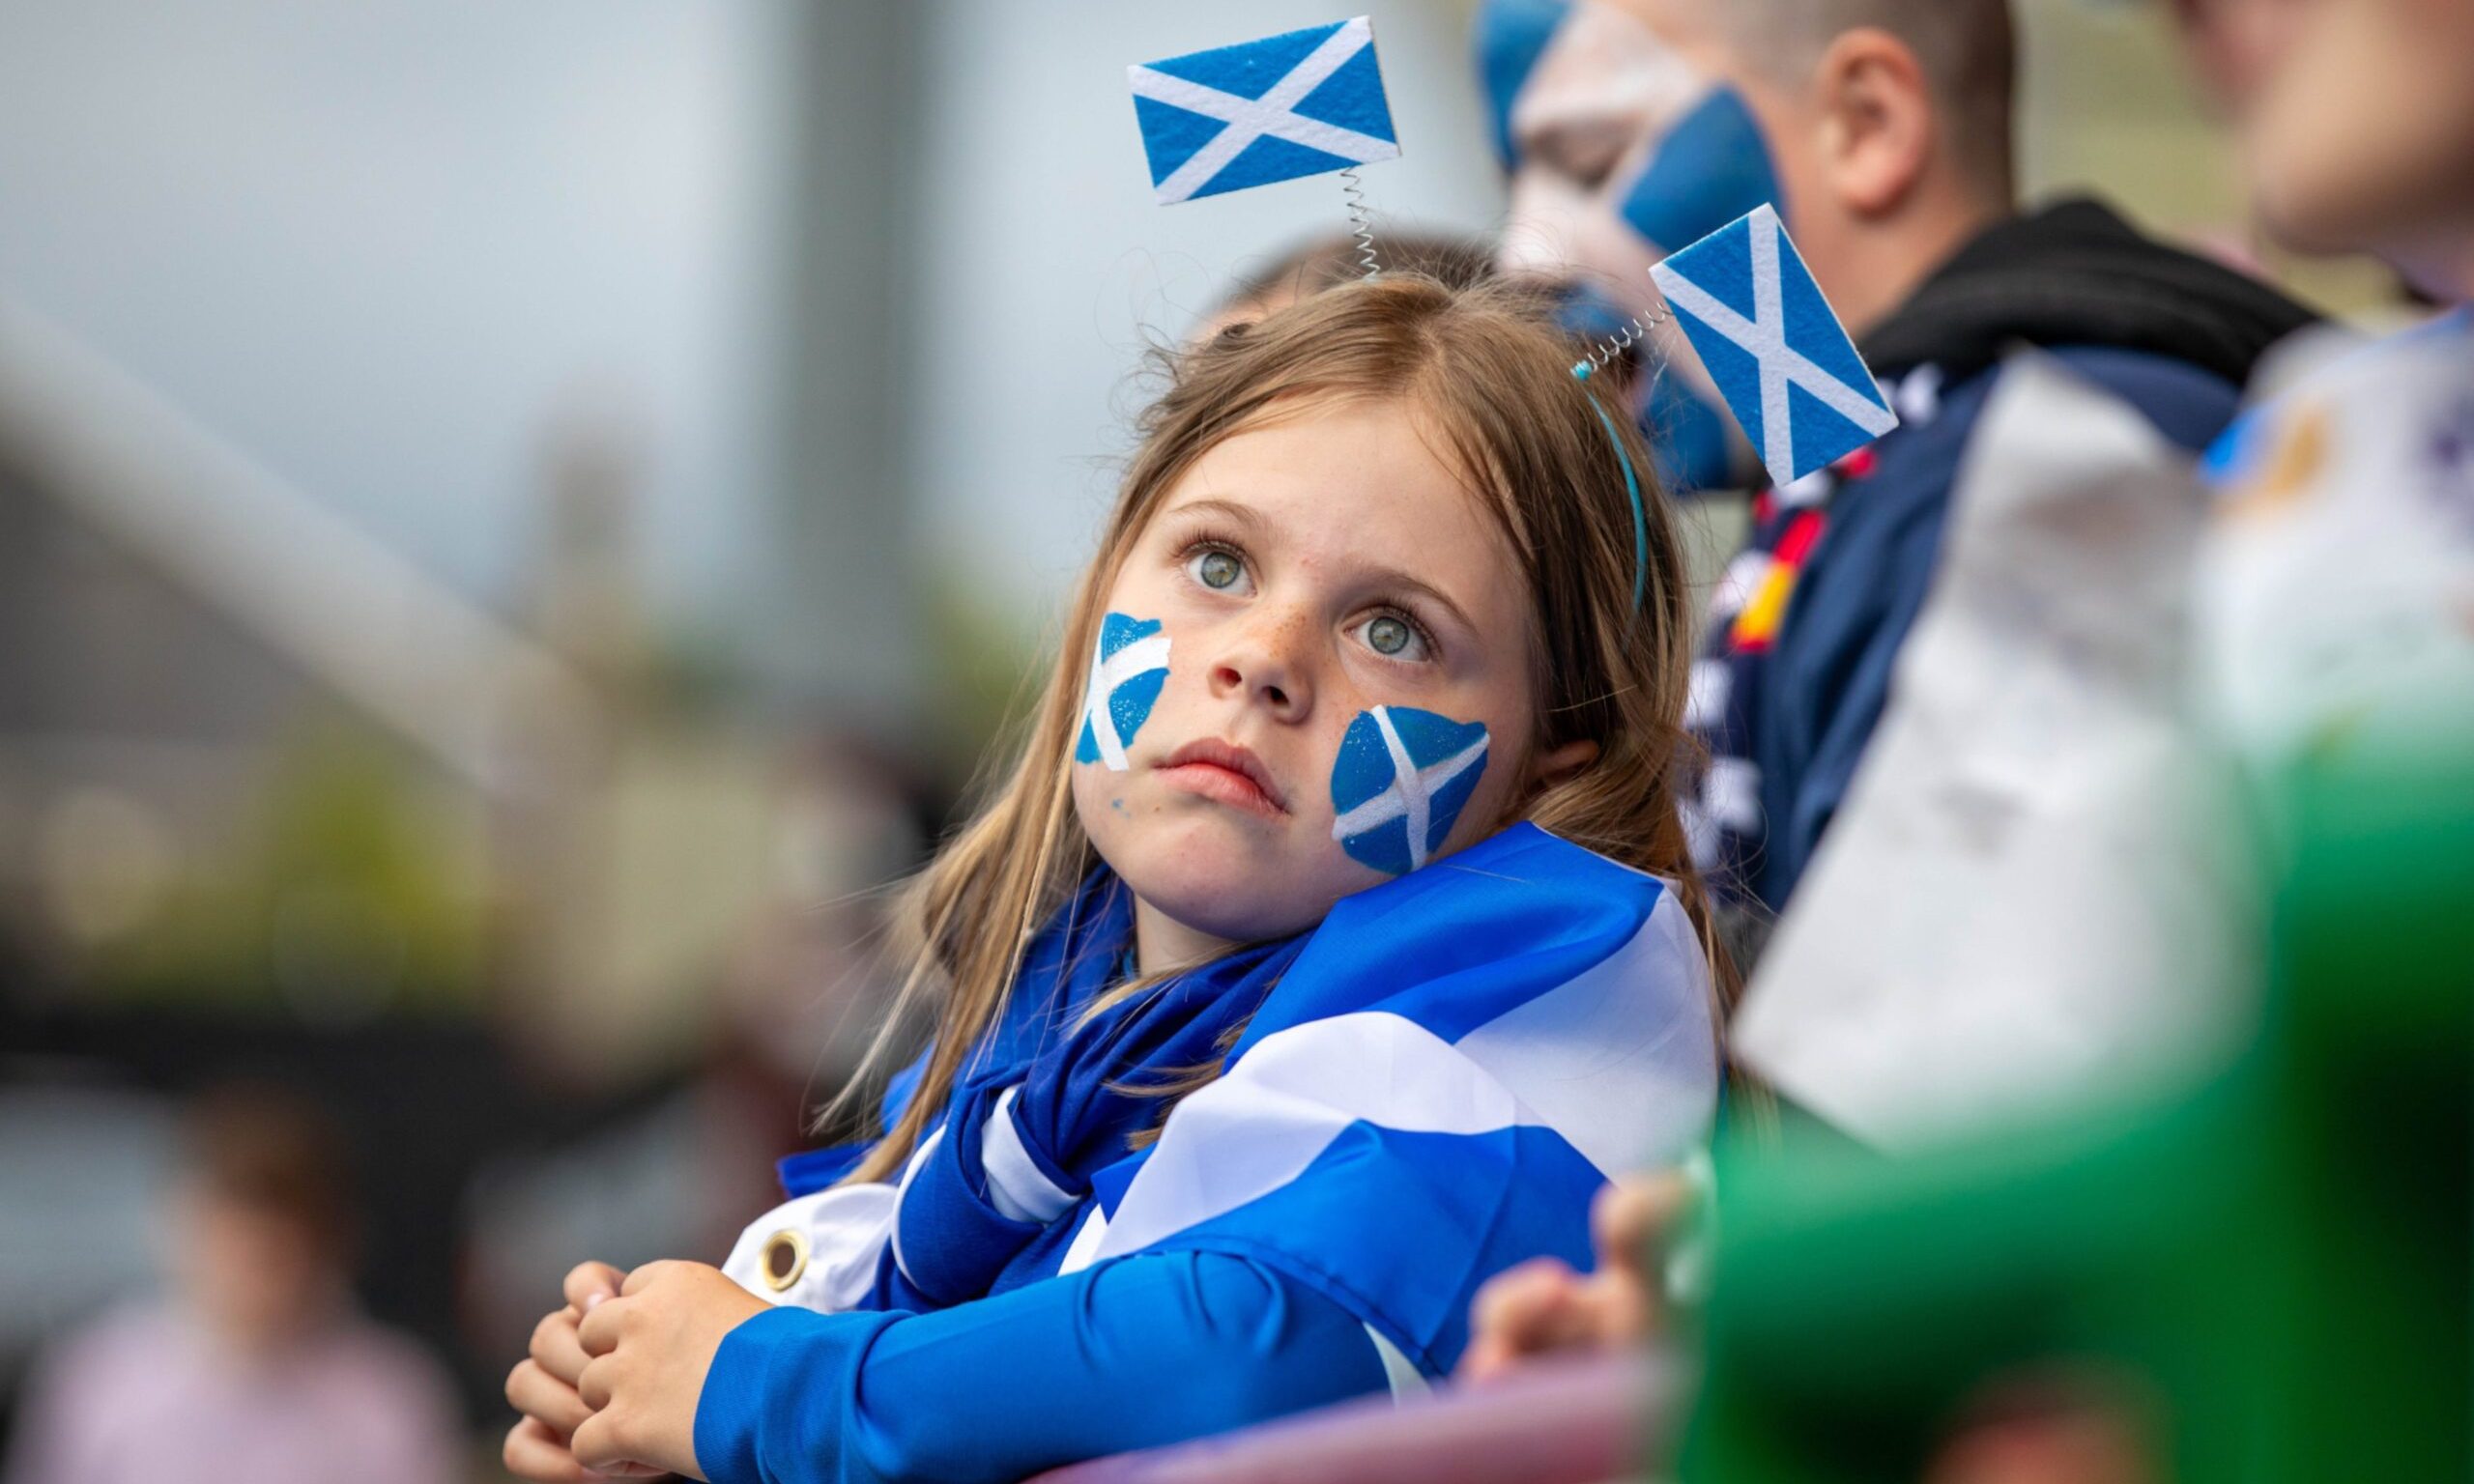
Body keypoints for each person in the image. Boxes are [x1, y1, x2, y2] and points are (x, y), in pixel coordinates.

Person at [501, 274, 1733, 1483]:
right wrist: (654, 1396)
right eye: (1216, 564)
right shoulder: (1035, 1081)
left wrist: (770, 1393)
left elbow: (1256, 1339)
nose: (1263, 657)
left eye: (1393, 631)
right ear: (1100, 593)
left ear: (1546, 760)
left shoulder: (1534, 1035)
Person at [1477, 0, 2316, 930]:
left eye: (1594, 161)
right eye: (1514, 183)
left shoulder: (2023, 475)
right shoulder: (1876, 487)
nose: (1522, 258)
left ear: (1868, 125)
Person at [4, 1087, 464, 1484]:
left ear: (329, 1242)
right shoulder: (95, 1377)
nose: (249, 1262)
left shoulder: (390, 1396)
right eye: (232, 1232)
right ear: (180, 1220)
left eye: (274, 1247)